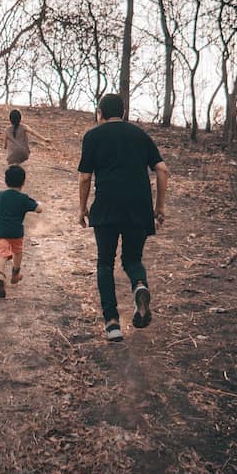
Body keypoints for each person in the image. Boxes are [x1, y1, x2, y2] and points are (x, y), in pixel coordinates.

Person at [77, 93, 168, 342]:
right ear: (124, 113)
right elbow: (162, 169)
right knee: (132, 259)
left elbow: (85, 177)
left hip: (106, 206)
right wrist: (159, 207)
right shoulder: (140, 135)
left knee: (105, 262)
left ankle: (113, 323)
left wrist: (82, 208)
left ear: (100, 113)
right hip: (138, 207)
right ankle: (139, 285)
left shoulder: (93, 135)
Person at [0, 164, 41, 299]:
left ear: (6, 181)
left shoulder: (0, 195)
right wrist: (39, 204)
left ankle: (0, 274)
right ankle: (15, 273)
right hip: (16, 232)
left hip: (1, 230)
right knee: (17, 252)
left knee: (1, 253)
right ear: (23, 182)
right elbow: (38, 209)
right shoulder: (24, 198)